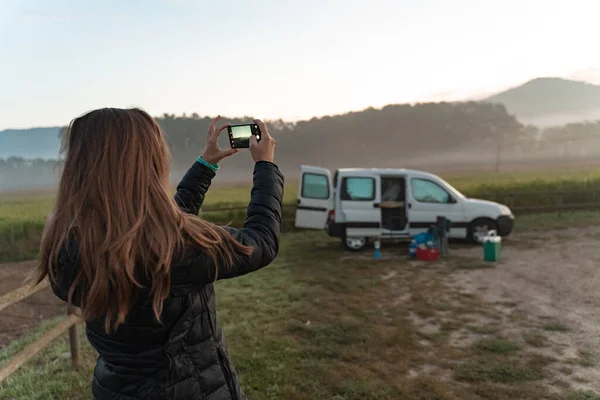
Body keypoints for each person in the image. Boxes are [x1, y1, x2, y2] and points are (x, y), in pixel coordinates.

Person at [32, 108, 284, 400]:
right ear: (148, 162)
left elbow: (157, 231)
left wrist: (206, 164)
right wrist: (265, 166)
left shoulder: (70, 247)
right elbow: (262, 242)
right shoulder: (172, 250)